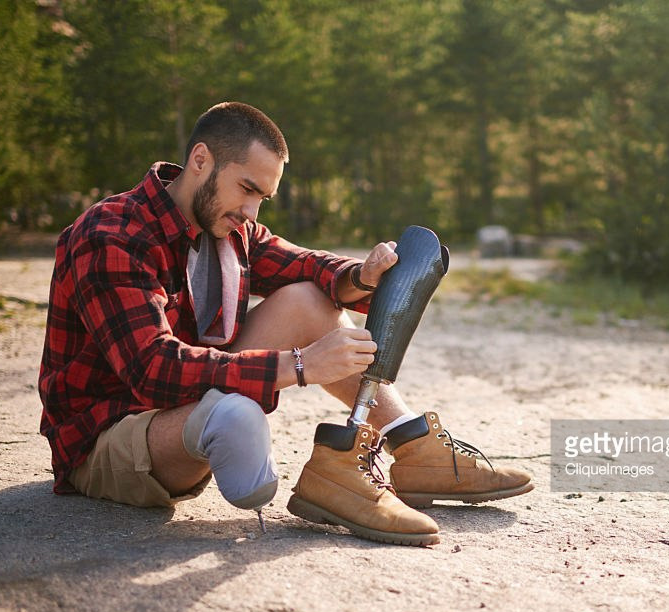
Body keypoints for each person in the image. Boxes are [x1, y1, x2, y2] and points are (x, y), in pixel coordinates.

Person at [38, 102, 533, 546]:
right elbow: (152, 369)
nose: (251, 211)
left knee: (307, 300)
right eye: (247, 189)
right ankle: (240, 433)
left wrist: (360, 274)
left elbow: (304, 266)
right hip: (110, 434)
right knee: (233, 414)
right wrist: (298, 366)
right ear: (201, 160)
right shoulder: (111, 234)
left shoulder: (228, 223)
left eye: (263, 199)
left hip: (186, 398)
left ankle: (411, 444)